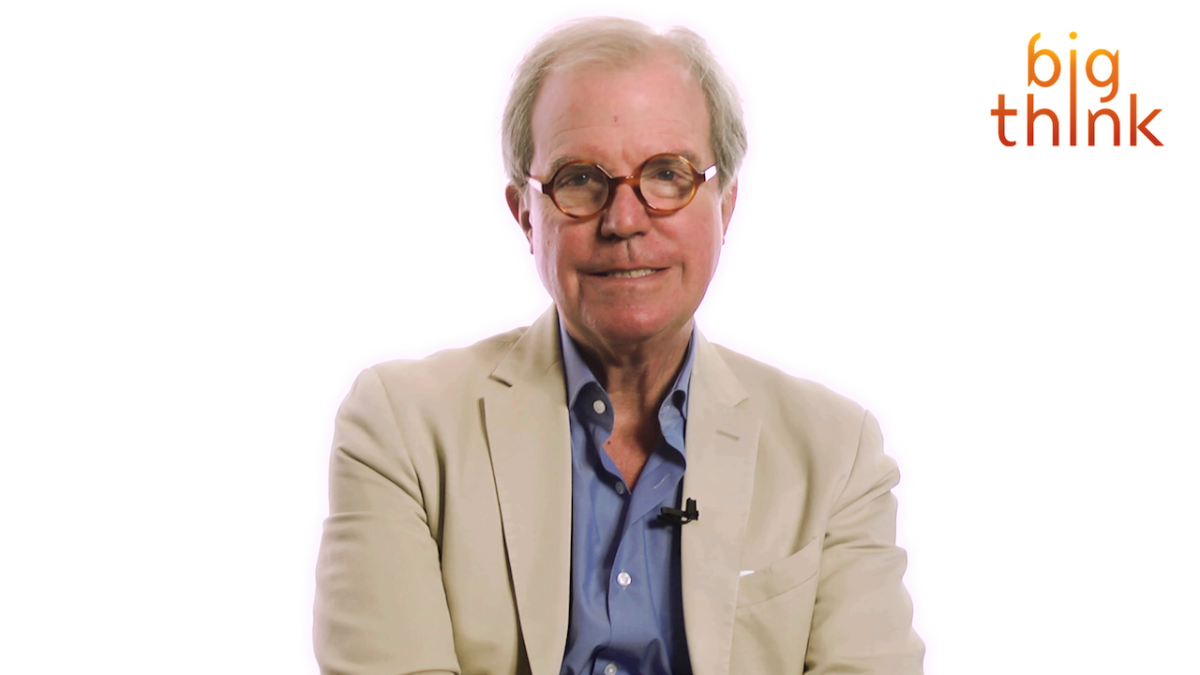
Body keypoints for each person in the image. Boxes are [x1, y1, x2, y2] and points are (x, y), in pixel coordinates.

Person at [314, 16, 924, 675]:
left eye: (667, 174)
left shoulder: (836, 454)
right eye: (580, 179)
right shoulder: (401, 430)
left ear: (725, 206)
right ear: (525, 215)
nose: (624, 220)